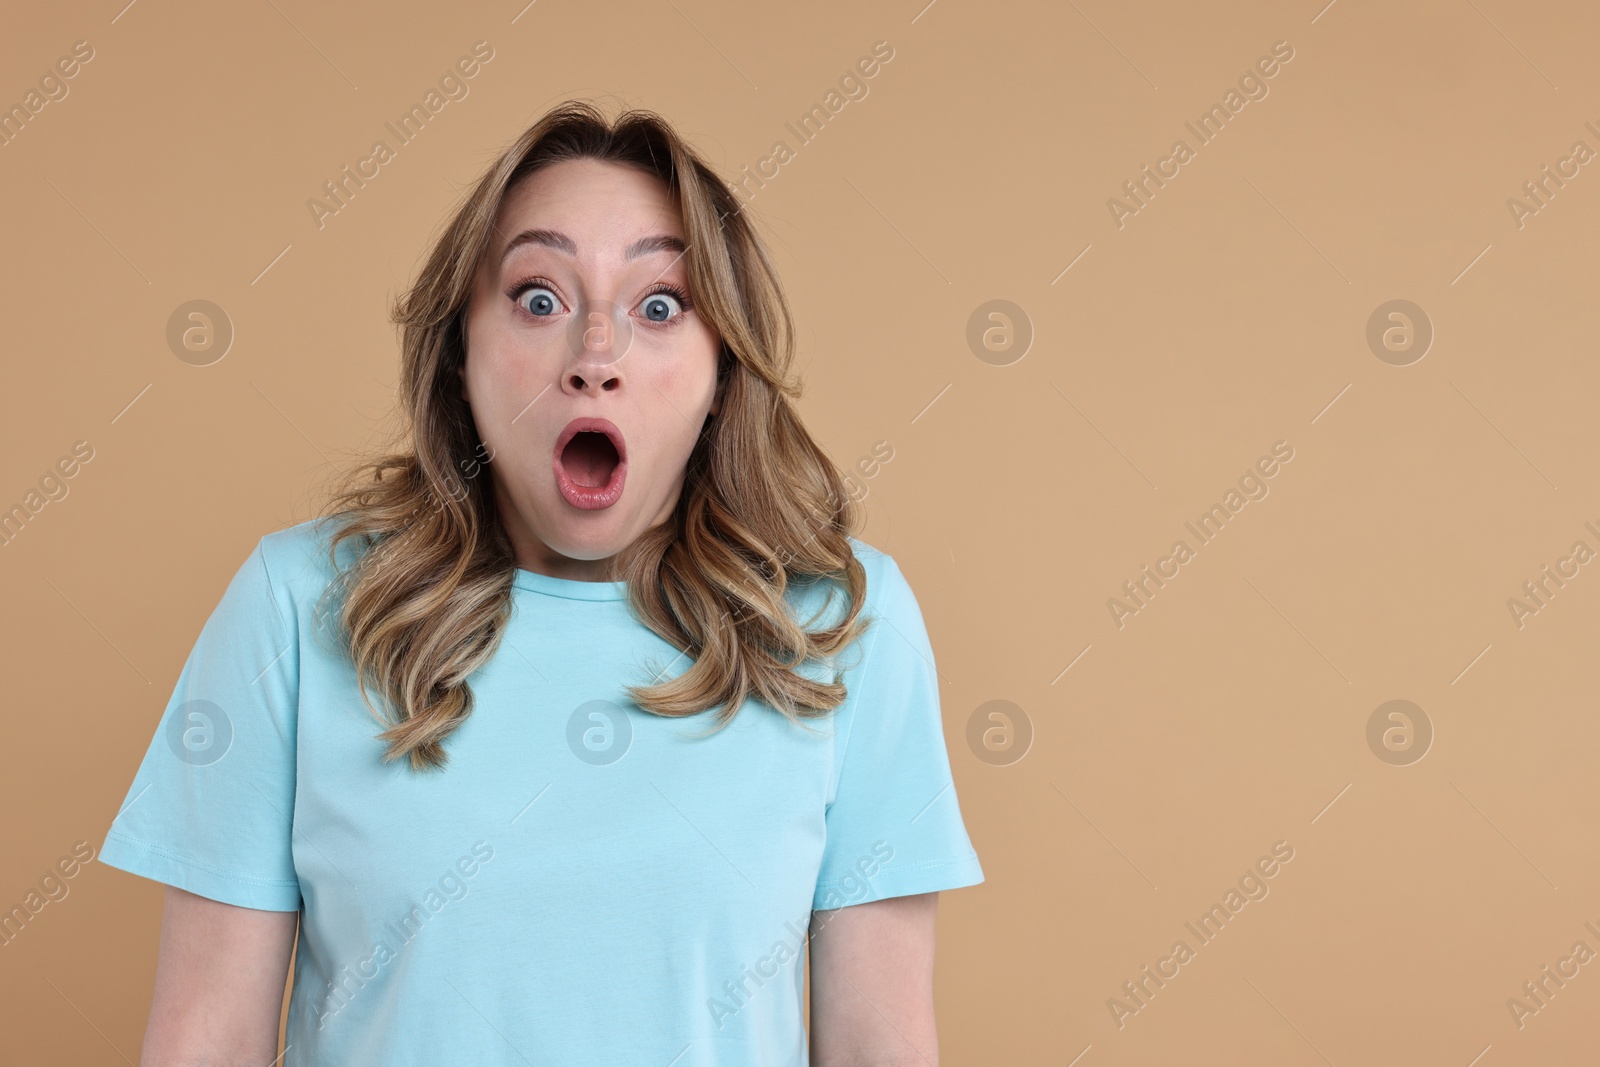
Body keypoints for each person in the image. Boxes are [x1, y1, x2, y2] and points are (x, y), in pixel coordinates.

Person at [100, 99, 983, 1066]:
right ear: (459, 352)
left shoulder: (843, 630)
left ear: (721, 370)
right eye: (538, 297)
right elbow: (205, 1042)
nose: (594, 356)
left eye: (658, 305)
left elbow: (879, 1048)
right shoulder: (296, 603)